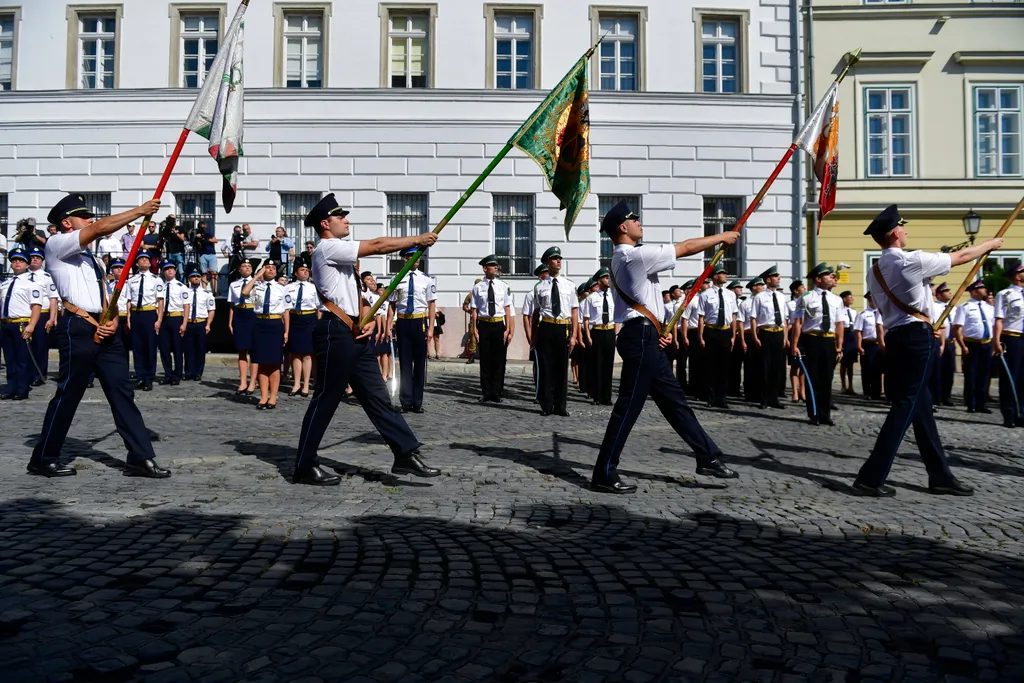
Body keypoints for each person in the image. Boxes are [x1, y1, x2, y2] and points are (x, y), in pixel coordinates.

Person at [293, 193, 442, 485]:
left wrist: (369, 317)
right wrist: (417, 240)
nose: (346, 221)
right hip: (335, 332)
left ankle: (405, 453)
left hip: (353, 332)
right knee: (326, 398)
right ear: (326, 223)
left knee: (377, 396)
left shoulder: (339, 253)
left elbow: (354, 296)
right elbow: (377, 246)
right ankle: (304, 464)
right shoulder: (327, 248)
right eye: (341, 217)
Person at [853, 204, 1000, 497]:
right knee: (906, 406)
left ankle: (940, 476)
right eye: (903, 227)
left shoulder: (874, 270)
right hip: (915, 338)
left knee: (921, 409)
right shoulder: (912, 260)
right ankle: (871, 476)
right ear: (895, 233)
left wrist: (922, 321)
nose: (906, 230)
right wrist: (989, 245)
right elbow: (959, 257)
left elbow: (892, 307)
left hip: (898, 336)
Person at [591, 202, 738, 494]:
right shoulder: (636, 256)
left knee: (675, 402)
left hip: (647, 335)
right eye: (634, 219)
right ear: (623, 227)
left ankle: (707, 455)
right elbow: (684, 247)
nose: (639, 223)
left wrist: (659, 329)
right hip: (641, 338)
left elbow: (644, 301)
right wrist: (721, 237)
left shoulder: (624, 258)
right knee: (628, 408)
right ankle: (604, 472)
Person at [29, 193, 170, 479]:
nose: (91, 219)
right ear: (67, 223)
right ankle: (44, 457)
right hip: (78, 329)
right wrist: (140, 210)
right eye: (84, 216)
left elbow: (108, 297)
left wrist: (114, 320)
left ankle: (140, 456)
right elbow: (100, 228)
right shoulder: (57, 244)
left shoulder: (93, 260)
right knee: (69, 393)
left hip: (105, 331)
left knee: (123, 393)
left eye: (90, 215)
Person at [791, 263, 845, 426]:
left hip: (829, 340)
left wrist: (839, 345)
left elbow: (839, 323)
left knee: (827, 379)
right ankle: (814, 413)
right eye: (828, 275)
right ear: (819, 279)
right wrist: (795, 345)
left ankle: (825, 414)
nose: (832, 277)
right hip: (811, 339)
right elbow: (798, 323)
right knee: (812, 377)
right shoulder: (806, 298)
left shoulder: (836, 299)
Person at [386, 248, 436, 413]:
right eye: (412, 257)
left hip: (419, 322)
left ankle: (417, 402)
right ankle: (406, 401)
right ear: (405, 259)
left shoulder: (426, 279)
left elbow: (431, 305)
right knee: (405, 363)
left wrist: (430, 329)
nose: (416, 260)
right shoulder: (397, 279)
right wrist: (388, 326)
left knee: (419, 363)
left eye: (418, 257)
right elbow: (392, 305)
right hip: (403, 322)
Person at [532, 246, 578, 416]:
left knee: (561, 368)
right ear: (547, 263)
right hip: (546, 327)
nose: (558, 261)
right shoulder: (540, 287)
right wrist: (533, 337)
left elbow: (574, 312)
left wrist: (573, 336)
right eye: (554, 258)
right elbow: (536, 314)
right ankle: (546, 405)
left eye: (559, 258)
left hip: (562, 327)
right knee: (545, 368)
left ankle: (561, 406)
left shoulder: (569, 285)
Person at [241, 260, 289, 409]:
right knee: (261, 362)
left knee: (274, 363)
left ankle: (273, 397)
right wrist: (256, 277)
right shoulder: (257, 286)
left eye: (273, 268)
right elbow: (244, 293)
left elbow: (286, 311)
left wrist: (286, 331)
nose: (271, 270)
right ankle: (263, 397)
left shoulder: (282, 288)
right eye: (268, 268)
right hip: (259, 324)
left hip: (275, 324)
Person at [0, 248, 43, 400]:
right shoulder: (6, 283)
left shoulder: (32, 284)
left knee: (22, 359)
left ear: (27, 264)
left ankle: (22, 389)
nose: (17, 263)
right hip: (6, 323)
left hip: (21, 323)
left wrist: (31, 326)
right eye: (14, 260)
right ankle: (11, 387)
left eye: (21, 260)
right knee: (9, 358)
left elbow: (36, 307)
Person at [470, 255, 514, 403]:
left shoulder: (503, 286)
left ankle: (497, 392)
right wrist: (474, 330)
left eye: (496, 265)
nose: (496, 267)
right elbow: (474, 309)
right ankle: (486, 392)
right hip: (484, 324)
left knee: (499, 360)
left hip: (498, 325)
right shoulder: (478, 287)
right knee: (485, 360)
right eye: (492, 265)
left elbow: (507, 308)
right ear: (485, 268)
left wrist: (508, 329)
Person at [697, 264, 737, 409]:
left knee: (724, 367)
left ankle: (722, 398)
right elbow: (701, 317)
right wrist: (701, 336)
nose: (725, 275)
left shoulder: (730, 294)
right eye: (722, 273)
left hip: (725, 332)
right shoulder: (705, 295)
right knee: (710, 367)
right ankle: (711, 398)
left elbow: (733, 316)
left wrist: (733, 335)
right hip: (711, 331)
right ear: (715, 276)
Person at [748, 265, 788, 410]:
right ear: (768, 279)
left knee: (777, 367)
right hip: (765, 333)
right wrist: (755, 336)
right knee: (764, 367)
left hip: (778, 332)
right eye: (775, 277)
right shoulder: (759, 297)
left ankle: (774, 398)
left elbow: (785, 319)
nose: (778, 279)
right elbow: (753, 318)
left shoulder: (781, 297)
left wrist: (785, 337)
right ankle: (763, 398)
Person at [953, 280, 995, 414]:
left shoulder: (989, 307)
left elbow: (993, 326)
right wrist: (963, 346)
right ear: (975, 291)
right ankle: (971, 403)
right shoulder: (964, 307)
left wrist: (994, 344)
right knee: (971, 374)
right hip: (971, 344)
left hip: (987, 343)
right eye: (982, 288)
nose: (985, 291)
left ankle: (982, 403)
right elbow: (957, 328)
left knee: (984, 375)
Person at [125, 252, 164, 391]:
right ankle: (140, 376)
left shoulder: (156, 279)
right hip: (136, 313)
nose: (145, 260)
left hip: (149, 313)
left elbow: (160, 301)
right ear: (137, 263)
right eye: (142, 259)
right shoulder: (132, 280)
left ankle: (149, 377)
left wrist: (159, 319)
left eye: (147, 258)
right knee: (137, 347)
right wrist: (129, 318)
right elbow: (129, 301)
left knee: (149, 346)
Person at [993, 264, 1024, 428]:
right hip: (1012, 337)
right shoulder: (1005, 294)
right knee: (1010, 377)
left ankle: (1022, 413)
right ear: (1017, 276)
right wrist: (996, 341)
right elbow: (999, 319)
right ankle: (1009, 412)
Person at [582, 268, 617, 406]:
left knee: (608, 365)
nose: (608, 280)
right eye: (605, 277)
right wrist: (588, 336)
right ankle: (596, 396)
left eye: (609, 277)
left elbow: (617, 318)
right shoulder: (591, 298)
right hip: (596, 331)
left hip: (609, 331)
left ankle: (606, 397)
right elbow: (585, 319)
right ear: (599, 280)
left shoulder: (613, 296)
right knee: (596, 365)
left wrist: (616, 333)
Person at [26, 247, 58, 384]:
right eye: (32, 257)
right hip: (26, 315)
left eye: (37, 258)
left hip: (42, 314)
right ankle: (26, 373)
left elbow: (53, 299)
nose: (34, 259)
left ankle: (39, 374)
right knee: (26, 347)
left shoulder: (47, 277)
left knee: (40, 345)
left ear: (42, 261)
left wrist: (52, 318)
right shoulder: (23, 277)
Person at [285, 263, 318, 397]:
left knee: (307, 353)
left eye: (307, 270)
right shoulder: (288, 287)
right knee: (295, 353)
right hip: (295, 318)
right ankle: (296, 383)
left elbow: (318, 308)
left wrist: (319, 324)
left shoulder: (313, 288)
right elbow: (286, 309)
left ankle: (305, 385)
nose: (305, 272)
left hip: (309, 318)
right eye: (302, 270)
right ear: (295, 273)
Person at [156, 260, 189, 385]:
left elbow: (186, 306)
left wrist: (184, 323)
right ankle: (168, 374)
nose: (169, 271)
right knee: (164, 349)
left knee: (177, 349)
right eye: (166, 269)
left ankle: (177, 375)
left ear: (175, 271)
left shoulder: (181, 287)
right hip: (164, 318)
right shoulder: (160, 287)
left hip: (176, 318)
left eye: (171, 268)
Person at [227, 260, 257, 394]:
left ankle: (253, 381)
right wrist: (230, 321)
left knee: (254, 350)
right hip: (240, 314)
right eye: (244, 266)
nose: (247, 268)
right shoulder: (234, 285)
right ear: (239, 269)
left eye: (249, 266)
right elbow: (232, 305)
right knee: (242, 350)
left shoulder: (257, 283)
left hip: (253, 313)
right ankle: (243, 381)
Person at [183, 265, 216, 381]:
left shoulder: (207, 294)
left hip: (201, 323)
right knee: (188, 349)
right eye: (193, 276)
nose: (196, 278)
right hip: (188, 323)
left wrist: (208, 324)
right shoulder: (185, 292)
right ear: (189, 279)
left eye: (198, 276)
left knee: (200, 349)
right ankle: (188, 371)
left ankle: (198, 372)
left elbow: (211, 310)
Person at [521, 264, 548, 399]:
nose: (548, 275)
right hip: (537, 331)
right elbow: (526, 316)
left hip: (550, 329)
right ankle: (539, 392)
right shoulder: (532, 294)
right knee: (539, 363)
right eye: (545, 273)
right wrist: (530, 336)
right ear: (539, 276)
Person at [854, 292, 883, 401]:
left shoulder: (882, 313)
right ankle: (867, 392)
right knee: (868, 369)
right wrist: (859, 346)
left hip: (879, 345)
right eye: (873, 299)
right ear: (869, 300)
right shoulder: (863, 314)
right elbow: (858, 332)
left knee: (878, 369)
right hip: (868, 344)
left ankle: (877, 392)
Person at [741, 277, 765, 405]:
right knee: (750, 365)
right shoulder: (746, 303)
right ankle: (749, 392)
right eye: (760, 285)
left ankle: (759, 392)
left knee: (760, 365)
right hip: (749, 335)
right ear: (754, 287)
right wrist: (743, 340)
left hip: (762, 334)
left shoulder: (765, 300)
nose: (763, 287)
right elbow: (741, 322)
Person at [933, 283, 957, 407]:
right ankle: (937, 397)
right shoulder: (935, 307)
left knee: (949, 371)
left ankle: (947, 396)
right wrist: (941, 344)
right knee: (938, 371)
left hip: (951, 343)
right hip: (939, 343)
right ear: (939, 295)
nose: (949, 293)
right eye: (946, 291)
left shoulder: (953, 307)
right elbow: (940, 325)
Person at [683, 280, 708, 399]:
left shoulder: (710, 298)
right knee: (695, 363)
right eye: (704, 283)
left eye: (708, 283)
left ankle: (706, 390)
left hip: (708, 332)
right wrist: (685, 337)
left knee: (706, 364)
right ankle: (695, 390)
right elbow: (684, 319)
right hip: (694, 332)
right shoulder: (692, 300)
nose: (707, 285)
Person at [787, 280, 806, 403]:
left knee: (804, 367)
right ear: (795, 291)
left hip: (805, 334)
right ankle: (794, 391)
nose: (804, 289)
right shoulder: (790, 304)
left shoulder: (807, 303)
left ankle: (802, 391)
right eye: (802, 288)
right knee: (794, 365)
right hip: (794, 333)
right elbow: (788, 322)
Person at [838, 290, 858, 395]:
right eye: (850, 297)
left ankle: (850, 386)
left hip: (852, 336)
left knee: (850, 363)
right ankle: (843, 385)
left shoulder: (854, 312)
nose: (852, 299)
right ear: (844, 299)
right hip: (844, 335)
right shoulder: (840, 311)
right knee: (844, 363)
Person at [194, 221, 219, 294]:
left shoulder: (208, 233)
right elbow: (197, 245)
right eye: (201, 227)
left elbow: (215, 240)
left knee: (214, 272)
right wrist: (198, 239)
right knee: (204, 272)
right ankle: (204, 290)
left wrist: (206, 239)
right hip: (203, 254)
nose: (203, 228)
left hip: (211, 254)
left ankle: (215, 290)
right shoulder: (197, 234)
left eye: (203, 226)